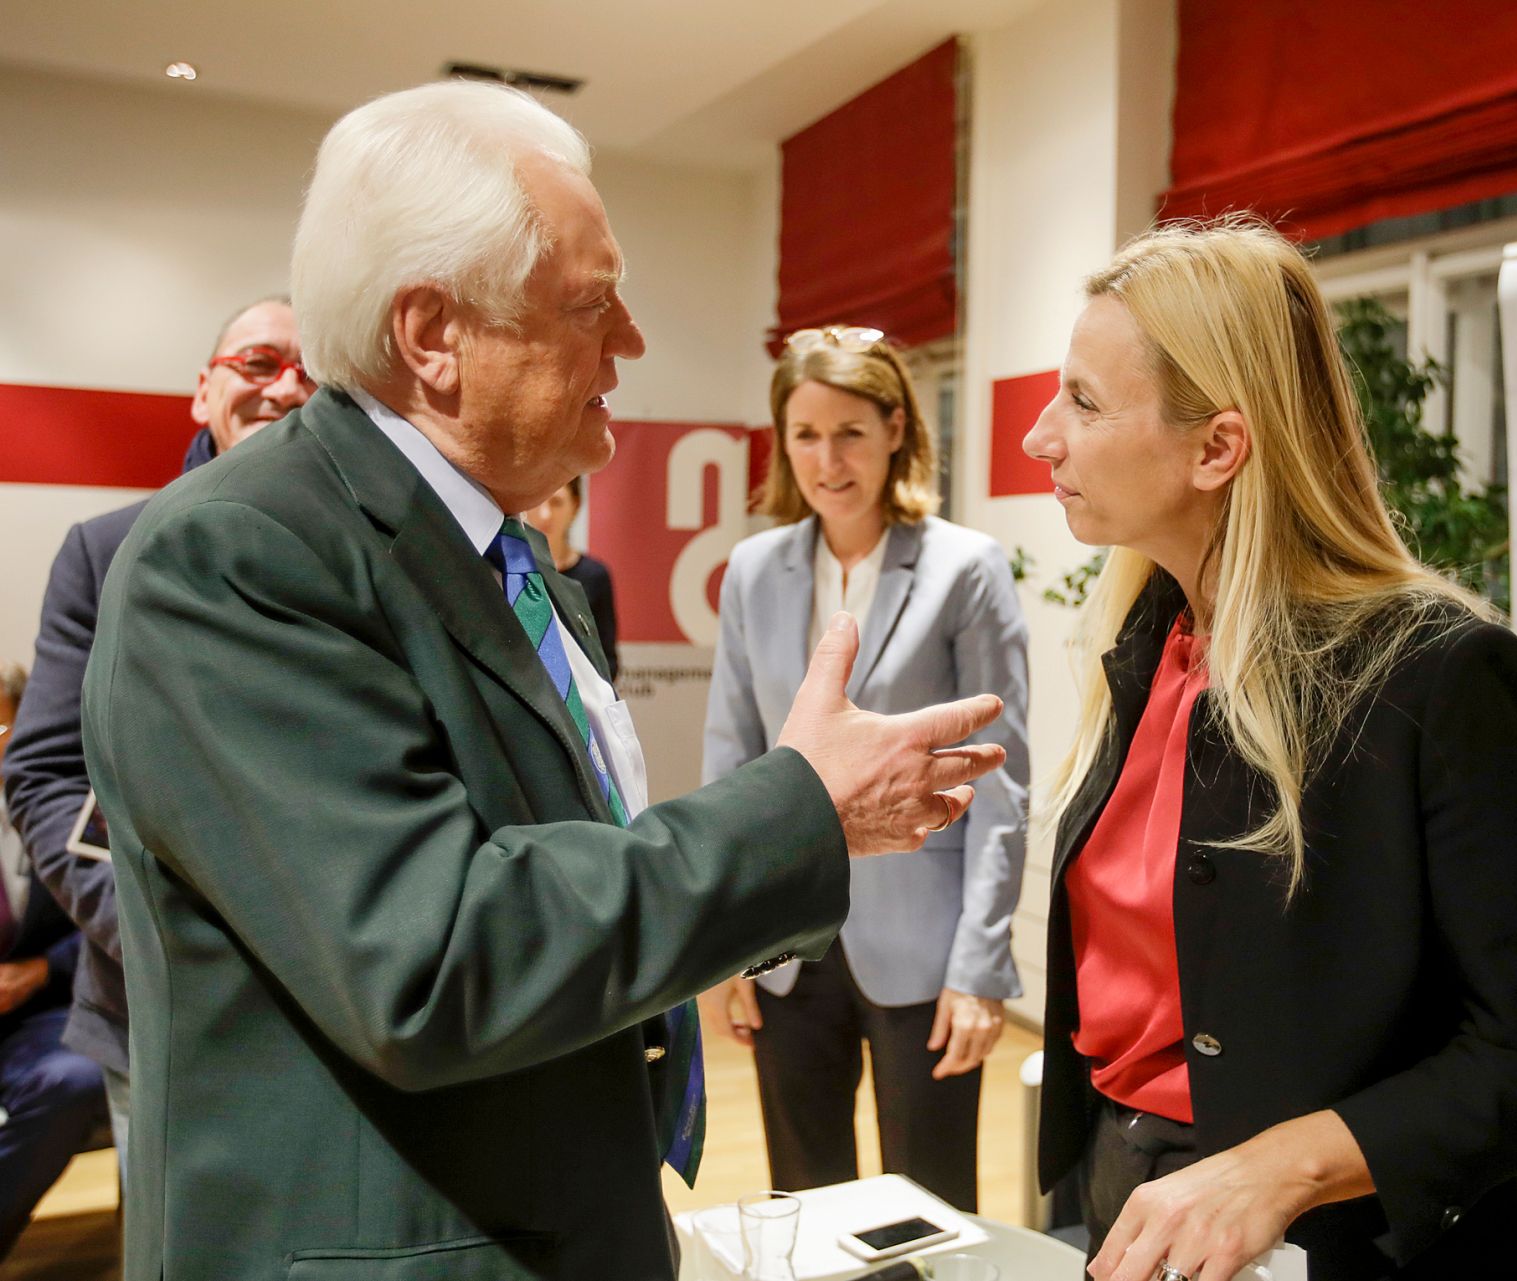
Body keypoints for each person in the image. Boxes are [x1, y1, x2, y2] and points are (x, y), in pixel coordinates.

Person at [79, 80, 1007, 1281]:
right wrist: (804, 810)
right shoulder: (239, 556)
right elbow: (434, 961)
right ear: (431, 335)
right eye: (589, 306)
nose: (627, 343)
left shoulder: (508, 556)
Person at [1021, 220, 1517, 1281]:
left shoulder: (1440, 678)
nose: (1039, 438)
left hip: (1336, 1241)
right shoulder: (1150, 642)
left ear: (1216, 447)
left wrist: (1282, 1169)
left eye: (1080, 401)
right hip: (1130, 1194)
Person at [700, 327, 1030, 1210]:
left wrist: (980, 967)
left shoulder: (968, 568)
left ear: (895, 429)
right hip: (785, 940)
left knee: (927, 1207)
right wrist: (729, 936)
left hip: (925, 949)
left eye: (849, 431)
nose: (826, 458)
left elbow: (1003, 779)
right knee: (805, 1205)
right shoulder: (752, 572)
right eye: (804, 433)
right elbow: (732, 754)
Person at [2, 295, 312, 1181]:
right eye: (258, 361)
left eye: (310, 371)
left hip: (352, 1014)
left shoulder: (378, 559)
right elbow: (47, 778)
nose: (286, 385)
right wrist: (153, 931)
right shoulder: (105, 555)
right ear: (203, 390)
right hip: (160, 1013)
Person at [0, 661, 107, 1259]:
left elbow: (110, 910)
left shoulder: (53, 802)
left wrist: (42, 971)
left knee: (77, 1077)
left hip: (34, 1013)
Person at [524, 476, 620, 680]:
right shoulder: (511, 572)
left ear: (575, 505)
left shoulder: (594, 576)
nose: (545, 514)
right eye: (537, 500)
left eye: (557, 502)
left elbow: (607, 661)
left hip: (580, 700)